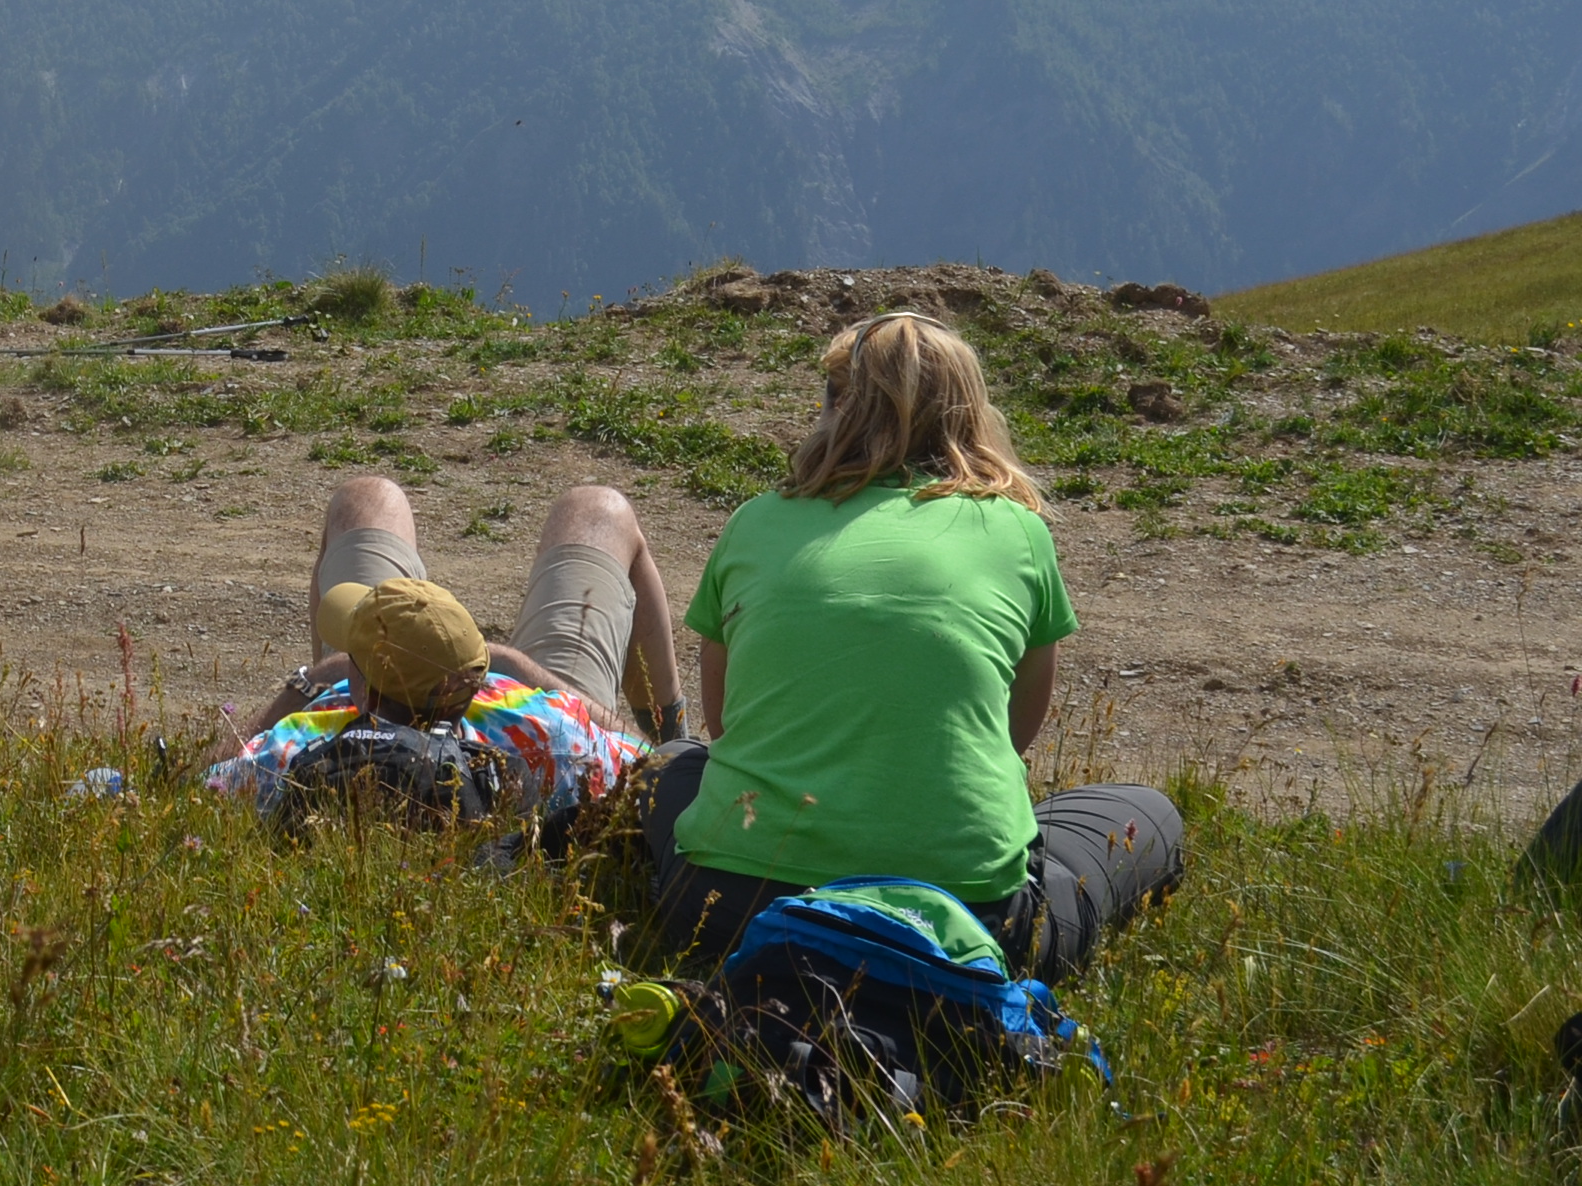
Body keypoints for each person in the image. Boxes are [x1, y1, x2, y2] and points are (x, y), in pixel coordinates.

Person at [640, 310, 1183, 983]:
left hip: (729, 908)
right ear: (969, 415)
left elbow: (727, 727)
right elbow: (1013, 734)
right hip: (966, 918)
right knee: (1148, 814)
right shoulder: (1019, 533)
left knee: (674, 760)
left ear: (835, 408)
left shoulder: (754, 522)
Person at [205, 476, 685, 838]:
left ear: (362, 687)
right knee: (600, 510)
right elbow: (653, 762)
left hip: (342, 714)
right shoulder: (554, 735)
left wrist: (305, 686)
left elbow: (197, 786)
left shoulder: (296, 747)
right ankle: (672, 720)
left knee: (365, 500)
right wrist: (519, 669)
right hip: (526, 708)